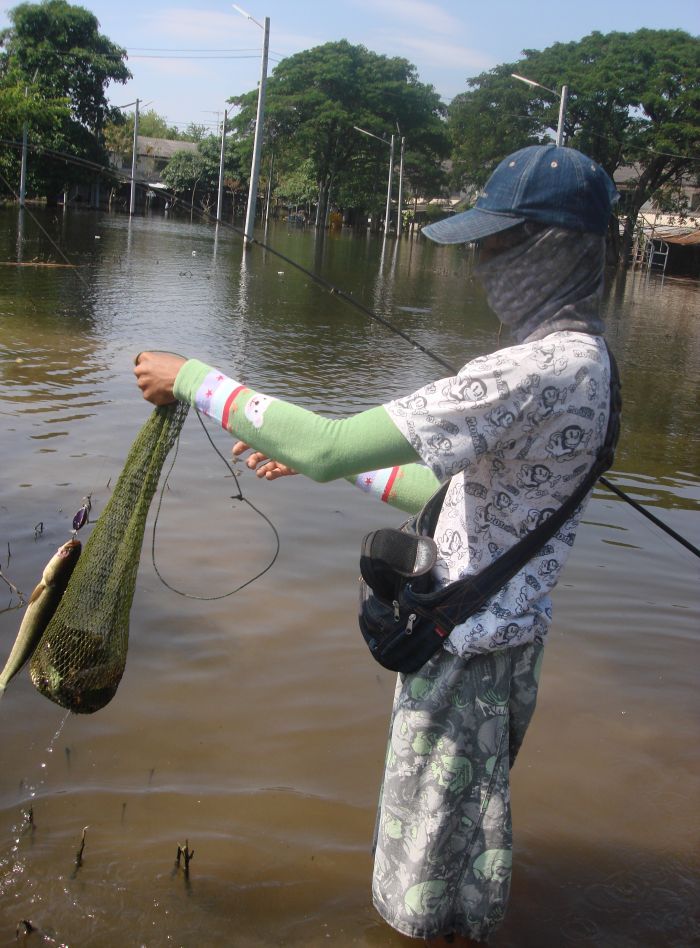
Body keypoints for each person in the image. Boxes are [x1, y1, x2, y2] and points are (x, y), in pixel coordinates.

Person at [134, 144, 619, 944]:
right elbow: (468, 502)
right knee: (462, 850)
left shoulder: (531, 368)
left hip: (463, 656)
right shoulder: (590, 361)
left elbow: (326, 440)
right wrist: (335, 473)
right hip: (506, 647)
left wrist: (193, 378)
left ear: (553, 249)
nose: (481, 267)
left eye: (496, 246)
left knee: (422, 884)